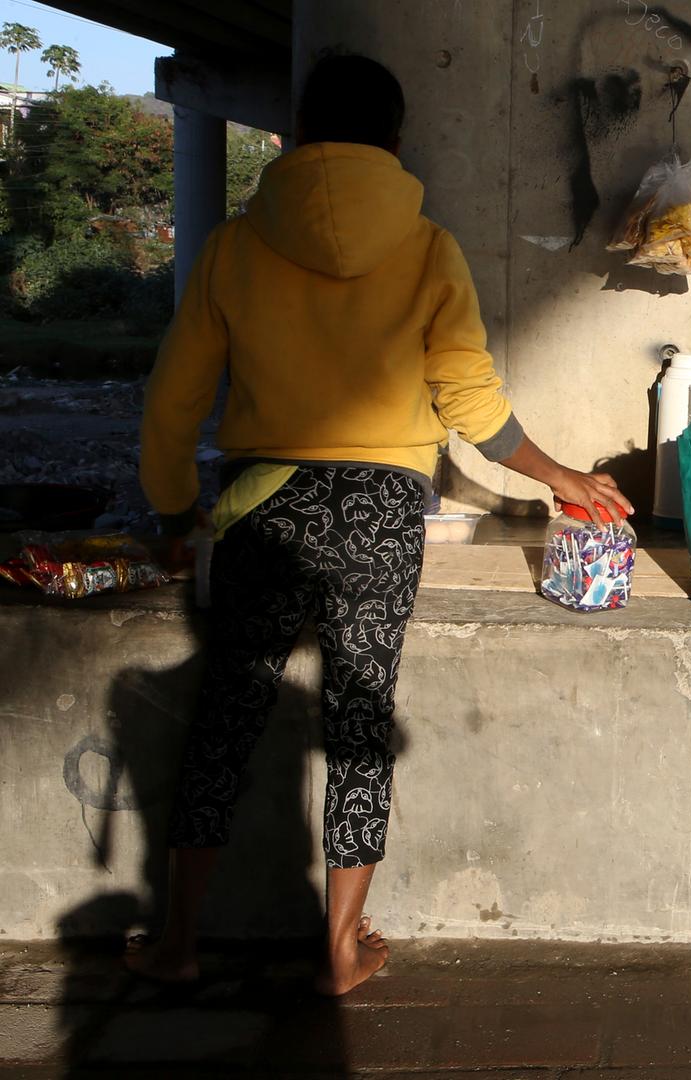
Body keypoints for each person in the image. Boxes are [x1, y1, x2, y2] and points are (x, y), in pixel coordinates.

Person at [131, 53, 631, 996]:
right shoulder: (428, 246)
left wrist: (168, 510)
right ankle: (340, 950)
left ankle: (179, 940)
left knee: (228, 715)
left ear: (297, 134)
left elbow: (171, 404)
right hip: (381, 509)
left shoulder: (236, 246)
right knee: (360, 719)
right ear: (395, 140)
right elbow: (471, 402)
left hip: (262, 506)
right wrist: (562, 476)